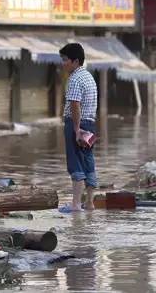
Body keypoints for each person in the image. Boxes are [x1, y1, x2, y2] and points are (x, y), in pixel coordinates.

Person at [59, 43, 98, 211]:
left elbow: (75, 105)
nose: (63, 63)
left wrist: (76, 130)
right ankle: (89, 203)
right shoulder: (89, 77)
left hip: (78, 124)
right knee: (88, 162)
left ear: (75, 61)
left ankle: (75, 205)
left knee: (75, 164)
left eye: (65, 60)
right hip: (90, 124)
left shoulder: (74, 79)